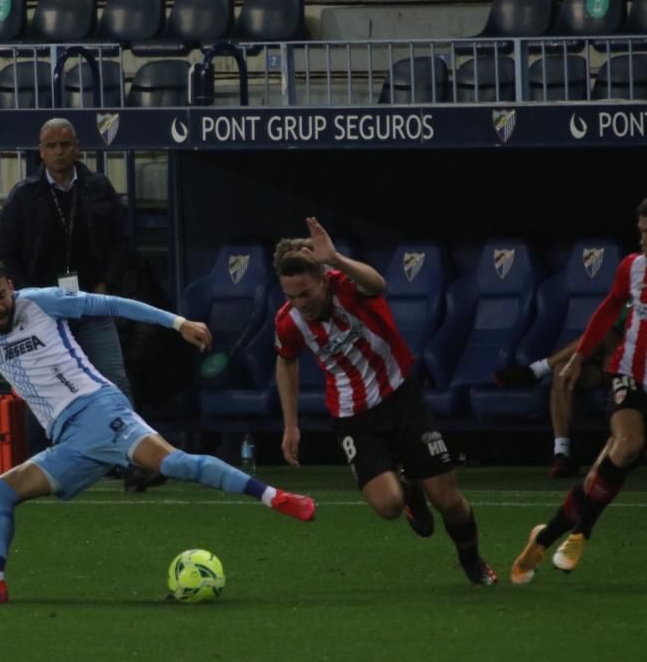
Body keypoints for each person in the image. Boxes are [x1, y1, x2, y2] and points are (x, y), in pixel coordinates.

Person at [0, 254, 317, 604]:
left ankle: (276, 497)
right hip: (71, 440)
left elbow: (112, 306)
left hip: (100, 409)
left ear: (10, 286)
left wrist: (176, 322)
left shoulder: (43, 302)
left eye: (1, 295)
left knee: (176, 464)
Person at [273, 217, 497, 585]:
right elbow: (286, 362)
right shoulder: (288, 322)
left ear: (323, 280)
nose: (300, 304)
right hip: (353, 417)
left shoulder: (347, 287)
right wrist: (291, 425)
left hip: (401, 399)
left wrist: (336, 259)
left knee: (449, 500)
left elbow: (377, 283)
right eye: (290, 296)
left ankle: (472, 560)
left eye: (305, 294)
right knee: (388, 505)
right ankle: (409, 493)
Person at [0, 117, 160, 491]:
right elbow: (6, 251)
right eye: (52, 146)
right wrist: (31, 297)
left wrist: (105, 283)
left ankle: (135, 460)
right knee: (46, 384)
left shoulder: (99, 188)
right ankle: (47, 464)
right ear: (41, 151)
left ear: (78, 148)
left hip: (90, 304)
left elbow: (121, 242)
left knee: (113, 379)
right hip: (44, 312)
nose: (59, 152)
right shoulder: (24, 195)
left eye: (66, 144)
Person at [511, 198, 647, 584]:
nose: (642, 240)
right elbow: (608, 310)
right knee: (629, 444)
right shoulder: (633, 267)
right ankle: (582, 533)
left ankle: (545, 536)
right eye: (640, 232)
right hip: (628, 373)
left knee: (600, 478)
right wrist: (577, 358)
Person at [495, 321, 623, 479]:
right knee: (562, 371)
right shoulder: (627, 307)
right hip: (610, 363)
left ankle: (537, 370)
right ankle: (562, 454)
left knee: (606, 331)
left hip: (633, 369)